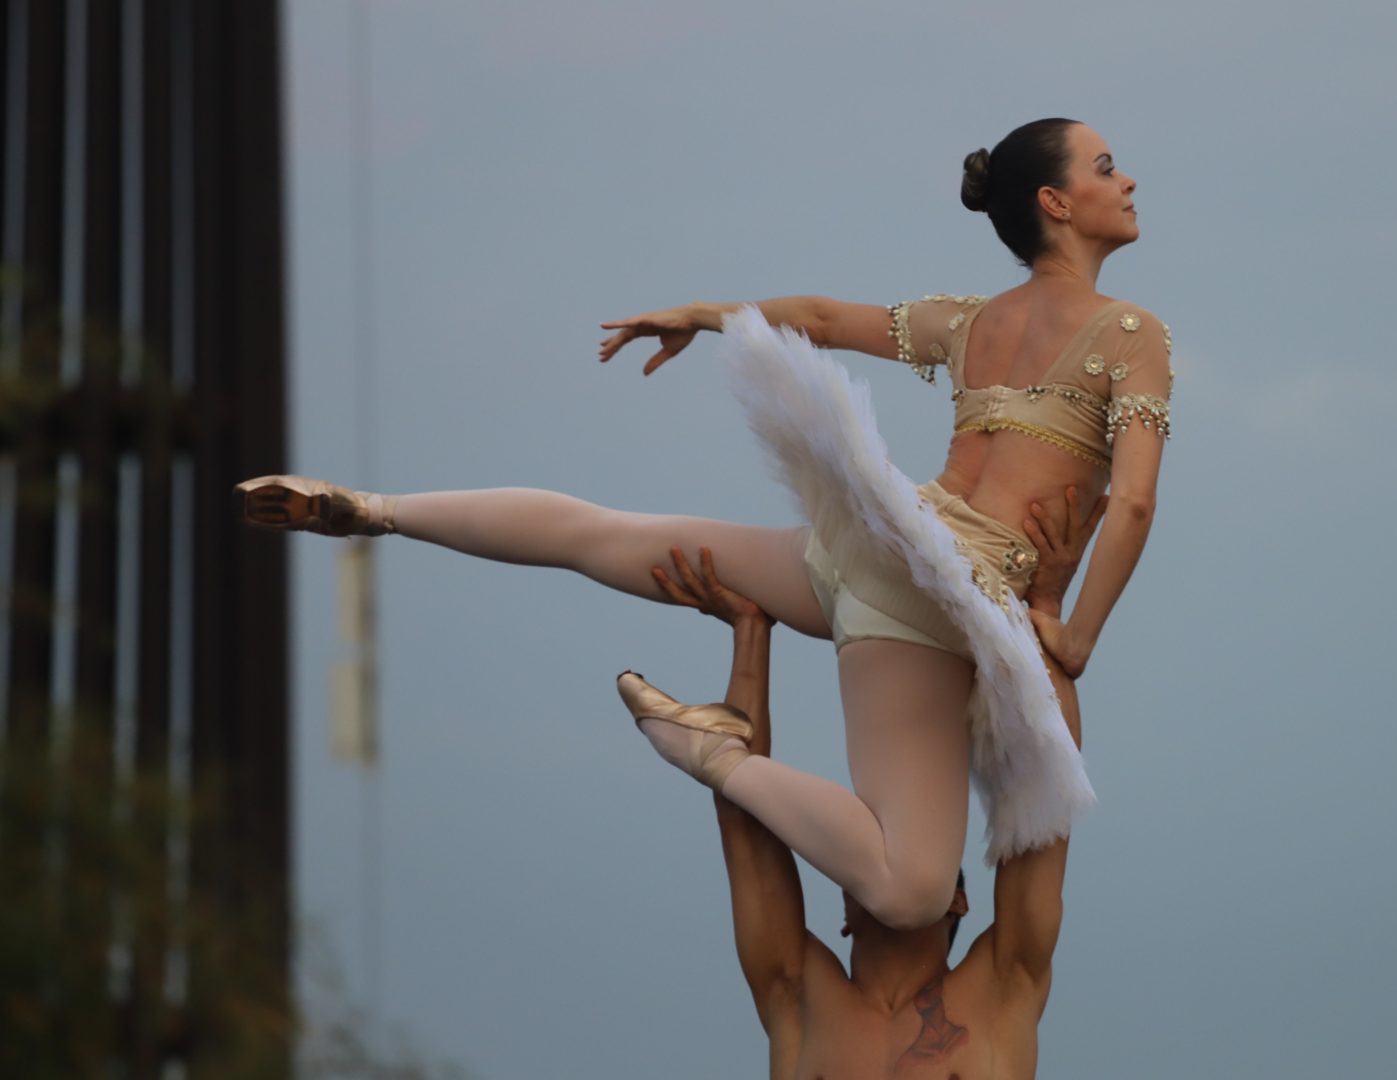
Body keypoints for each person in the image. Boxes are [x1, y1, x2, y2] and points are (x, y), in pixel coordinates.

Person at [236, 118, 1170, 930]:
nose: (1127, 181)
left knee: (601, 536)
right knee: (912, 890)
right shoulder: (1132, 333)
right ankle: (717, 757)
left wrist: (703, 313)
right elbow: (1130, 501)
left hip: (867, 546)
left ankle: (372, 509)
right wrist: (1075, 637)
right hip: (937, 597)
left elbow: (810, 317)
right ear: (1055, 201)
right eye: (1106, 166)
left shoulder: (973, 322)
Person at [642, 478, 1095, 1078]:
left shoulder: (1004, 989)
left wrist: (1044, 610)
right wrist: (751, 628)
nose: (876, 859)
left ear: (958, 898)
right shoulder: (797, 999)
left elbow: (1046, 792)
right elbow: (745, 824)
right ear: (846, 912)